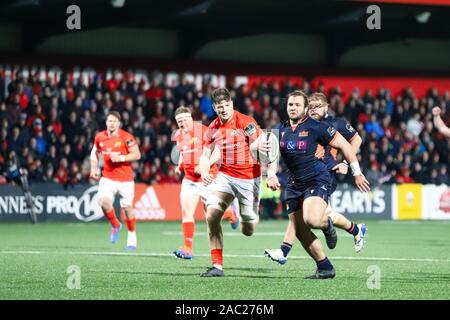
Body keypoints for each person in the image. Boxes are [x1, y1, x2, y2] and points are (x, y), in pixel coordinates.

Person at [266, 90, 370, 279]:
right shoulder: (278, 129)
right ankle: (325, 267)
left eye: (297, 104)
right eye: (290, 104)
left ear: (305, 108)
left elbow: (346, 145)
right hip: (294, 183)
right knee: (299, 229)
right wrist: (271, 173)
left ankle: (326, 224)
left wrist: (356, 171)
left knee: (312, 220)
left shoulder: (317, 127)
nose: (293, 108)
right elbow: (271, 153)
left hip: (318, 178)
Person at [199, 87, 270, 277]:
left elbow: (262, 145)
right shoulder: (213, 127)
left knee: (248, 230)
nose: (223, 109)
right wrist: (205, 170)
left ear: (232, 104)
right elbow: (205, 155)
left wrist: (270, 171)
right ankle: (217, 266)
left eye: (226, 105)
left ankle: (249, 216)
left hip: (249, 179)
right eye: (219, 106)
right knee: (212, 215)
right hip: (226, 176)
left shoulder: (245, 122)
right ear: (214, 107)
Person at [172, 106, 240, 260]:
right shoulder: (178, 136)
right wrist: (180, 166)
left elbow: (218, 151)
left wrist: (204, 165)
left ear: (190, 118)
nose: (181, 123)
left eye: (183, 120)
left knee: (210, 213)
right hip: (189, 180)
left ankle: (231, 214)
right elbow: (183, 153)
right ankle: (188, 249)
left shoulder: (204, 131)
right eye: (178, 121)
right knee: (186, 213)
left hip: (207, 179)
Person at [90, 111, 141, 250]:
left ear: (118, 123)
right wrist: (94, 168)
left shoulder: (126, 137)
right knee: (103, 202)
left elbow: (137, 154)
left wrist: (122, 158)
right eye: (109, 121)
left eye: (114, 121)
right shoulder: (100, 137)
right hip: (108, 177)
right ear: (106, 122)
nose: (111, 123)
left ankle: (131, 235)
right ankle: (115, 224)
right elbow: (95, 153)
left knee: (127, 208)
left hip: (125, 179)